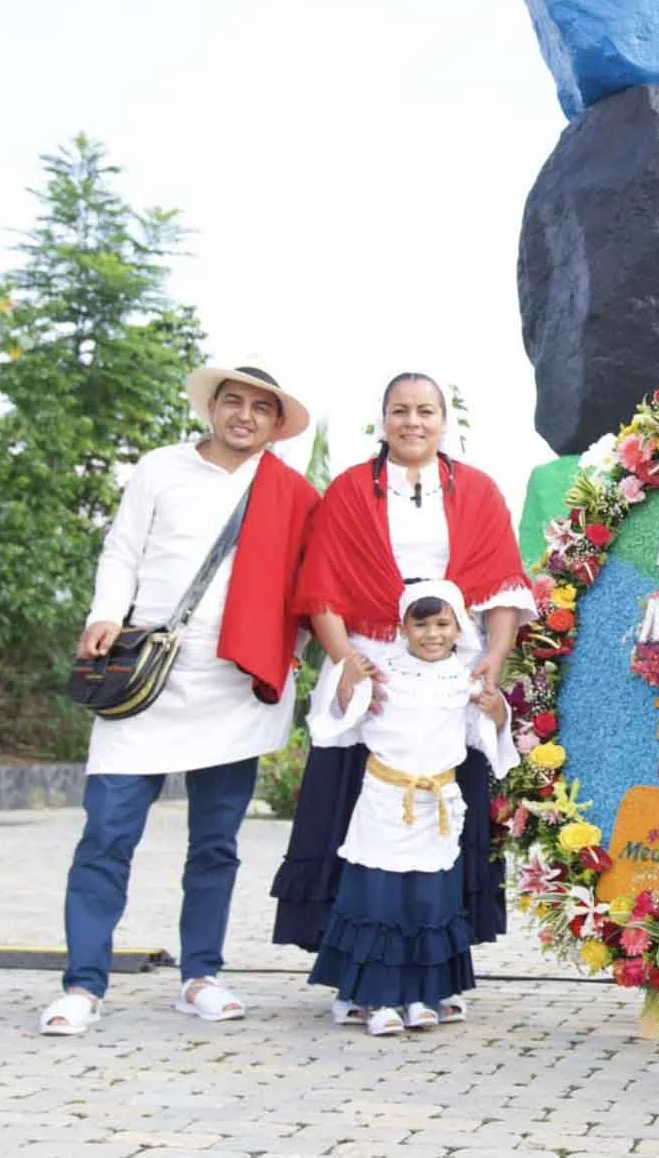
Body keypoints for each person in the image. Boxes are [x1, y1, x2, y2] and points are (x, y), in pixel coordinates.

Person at [40, 363, 320, 1036]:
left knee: (216, 842)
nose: (245, 415)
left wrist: (311, 660)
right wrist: (105, 612)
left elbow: (311, 586)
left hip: (236, 681)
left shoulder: (292, 493)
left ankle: (200, 974)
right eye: (233, 401)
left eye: (261, 407)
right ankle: (83, 983)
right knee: (107, 833)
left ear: (276, 423)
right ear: (213, 408)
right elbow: (123, 549)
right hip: (144, 676)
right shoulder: (159, 468)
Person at [269, 372, 534, 1025]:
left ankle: (435, 971)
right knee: (359, 815)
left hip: (453, 667)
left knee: (447, 816)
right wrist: (347, 661)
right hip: (375, 665)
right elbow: (322, 588)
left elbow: (503, 587)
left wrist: (492, 663)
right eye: (399, 410)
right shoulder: (351, 491)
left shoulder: (477, 491)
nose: (412, 421)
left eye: (425, 410)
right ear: (382, 419)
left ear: (444, 420)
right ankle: (358, 977)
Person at [304, 580, 520, 1035]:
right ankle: (376, 997)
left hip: (436, 807)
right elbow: (339, 722)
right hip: (386, 803)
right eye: (421, 624)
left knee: (430, 898)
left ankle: (426, 991)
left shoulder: (466, 679)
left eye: (443, 623)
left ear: (460, 628)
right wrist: (350, 682)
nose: (433, 634)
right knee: (381, 896)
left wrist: (497, 709)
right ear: (403, 627)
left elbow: (488, 734)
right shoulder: (383, 672)